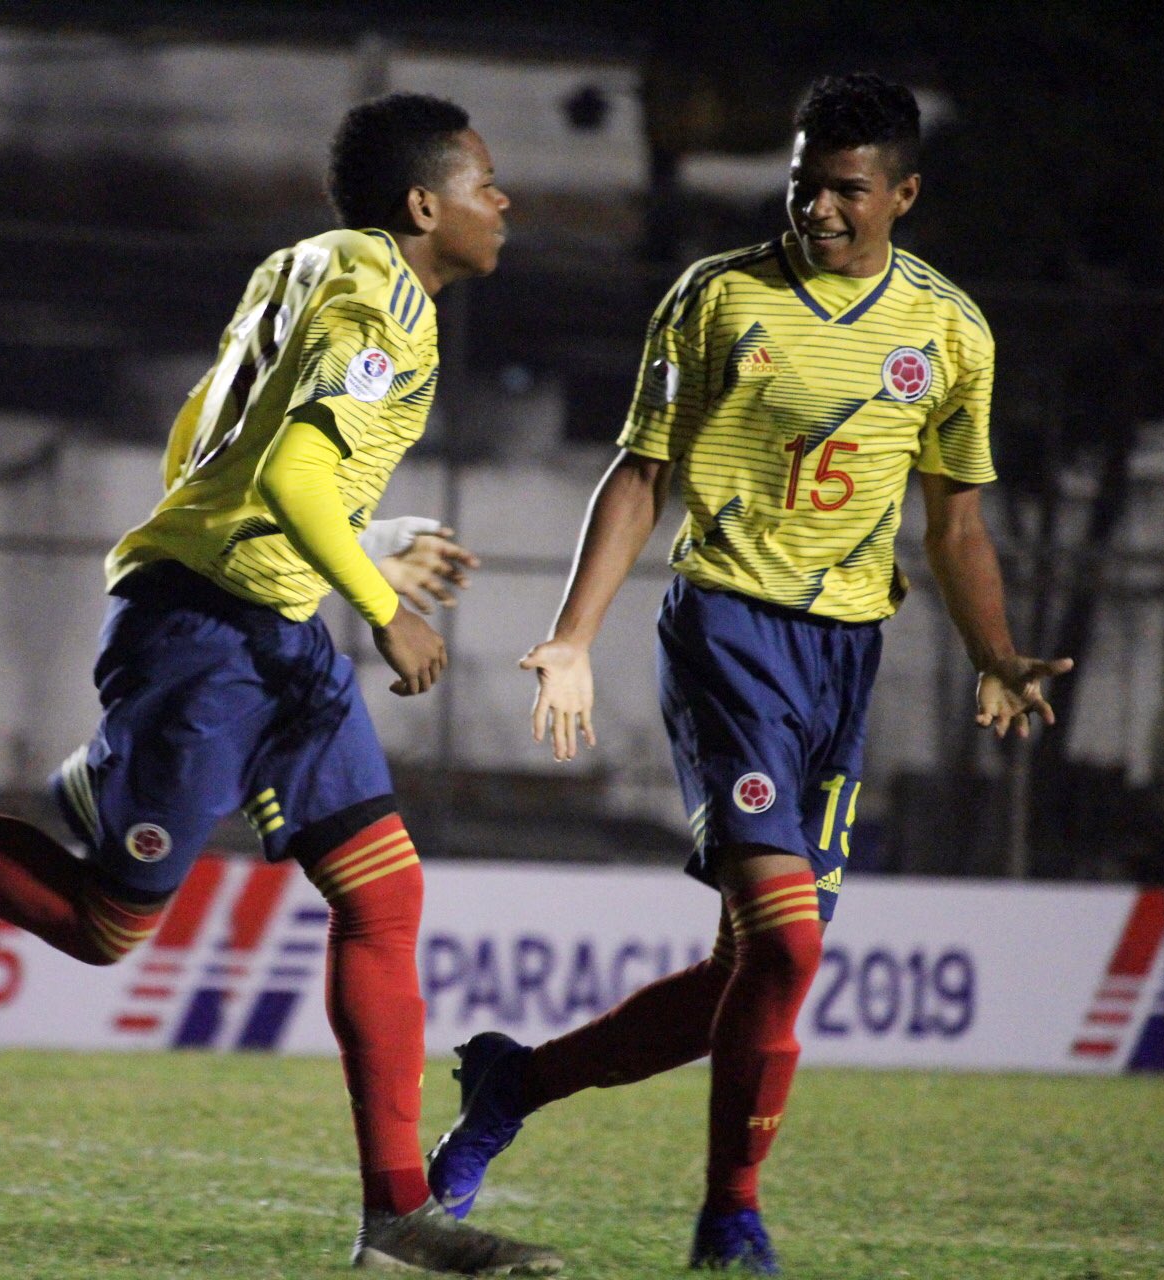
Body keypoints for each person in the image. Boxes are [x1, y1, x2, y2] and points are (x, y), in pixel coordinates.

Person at [0, 92, 562, 1277]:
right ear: (425, 205)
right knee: (109, 926)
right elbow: (297, 469)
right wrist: (381, 605)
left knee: (380, 894)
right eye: (484, 182)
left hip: (259, 625)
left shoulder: (305, 264)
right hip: (207, 642)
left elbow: (213, 439)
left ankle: (396, 1223)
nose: (502, 201)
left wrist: (356, 544)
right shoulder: (385, 307)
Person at [425, 72, 1073, 1274]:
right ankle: (730, 1217)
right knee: (783, 946)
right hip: (727, 632)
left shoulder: (946, 330)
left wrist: (996, 650)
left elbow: (957, 528)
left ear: (901, 195)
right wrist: (570, 634)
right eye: (800, 183)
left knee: (748, 968)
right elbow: (639, 471)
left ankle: (517, 1080)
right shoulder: (717, 298)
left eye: (844, 190)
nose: (816, 210)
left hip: (843, 659)